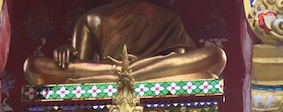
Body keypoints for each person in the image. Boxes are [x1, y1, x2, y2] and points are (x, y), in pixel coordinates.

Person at [24, 0, 226, 85]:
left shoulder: (168, 18)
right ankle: (123, 72)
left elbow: (179, 64)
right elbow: (80, 65)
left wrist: (134, 65)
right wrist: (67, 52)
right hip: (108, 70)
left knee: (216, 55)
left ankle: (122, 73)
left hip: (128, 74)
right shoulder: (91, 19)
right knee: (32, 66)